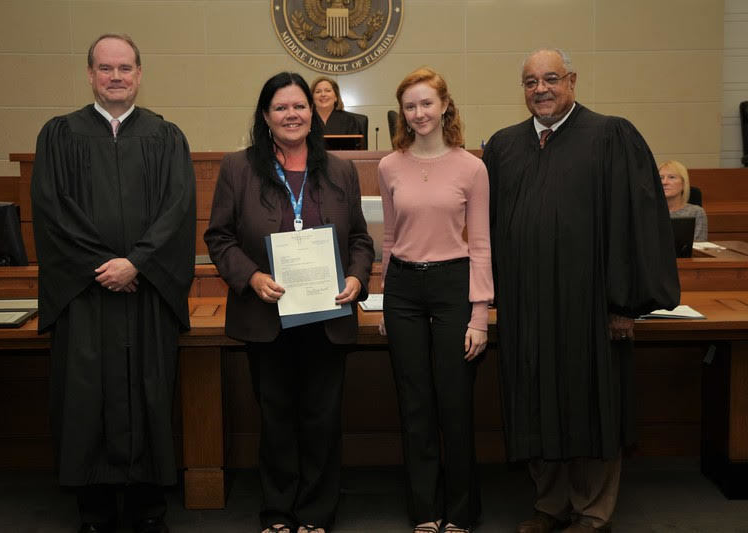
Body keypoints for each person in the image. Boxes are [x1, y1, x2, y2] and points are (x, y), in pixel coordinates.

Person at [482, 49, 680, 533]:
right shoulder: (504, 147)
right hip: (526, 306)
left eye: (551, 78)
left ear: (572, 80)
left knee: (591, 402)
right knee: (534, 401)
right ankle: (550, 504)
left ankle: (592, 511)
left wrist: (624, 304)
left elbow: (636, 225)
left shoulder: (612, 135)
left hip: (591, 307)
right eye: (530, 81)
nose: (541, 89)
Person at [30, 33, 196, 533]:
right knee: (86, 398)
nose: (116, 76)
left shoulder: (166, 137)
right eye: (106, 68)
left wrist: (138, 264)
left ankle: (148, 508)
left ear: (139, 74)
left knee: (149, 391)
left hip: (145, 292)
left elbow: (178, 210)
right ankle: (95, 511)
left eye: (125, 68)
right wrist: (104, 265)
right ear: (90, 74)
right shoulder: (58, 135)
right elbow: (50, 210)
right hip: (86, 295)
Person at [204, 72, 374, 533]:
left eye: (299, 106)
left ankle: (316, 513)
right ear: (265, 115)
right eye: (281, 107)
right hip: (266, 317)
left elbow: (360, 239)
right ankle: (278, 512)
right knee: (276, 419)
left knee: (321, 420)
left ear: (311, 114)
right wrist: (251, 276)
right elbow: (218, 237)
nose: (292, 114)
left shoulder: (339, 170)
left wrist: (358, 278)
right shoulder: (238, 168)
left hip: (327, 316)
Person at [378, 67, 493, 533]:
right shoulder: (389, 166)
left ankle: (462, 511)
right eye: (410, 106)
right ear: (402, 113)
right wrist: (385, 297)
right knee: (415, 403)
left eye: (427, 103)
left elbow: (481, 243)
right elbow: (389, 237)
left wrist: (479, 314)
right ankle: (425, 510)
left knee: (454, 402)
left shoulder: (472, 167)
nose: (419, 113)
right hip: (403, 288)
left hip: (453, 287)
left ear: (445, 105)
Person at [659, 160, 708, 241]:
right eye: (661, 178)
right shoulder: (648, 211)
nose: (664, 182)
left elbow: (698, 249)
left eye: (671, 177)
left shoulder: (696, 212)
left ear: (683, 184)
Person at [310, 76, 365, 143]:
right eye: (318, 92)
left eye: (328, 91)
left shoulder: (350, 121)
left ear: (336, 97)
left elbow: (354, 150)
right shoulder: (305, 119)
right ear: (312, 98)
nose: (323, 94)